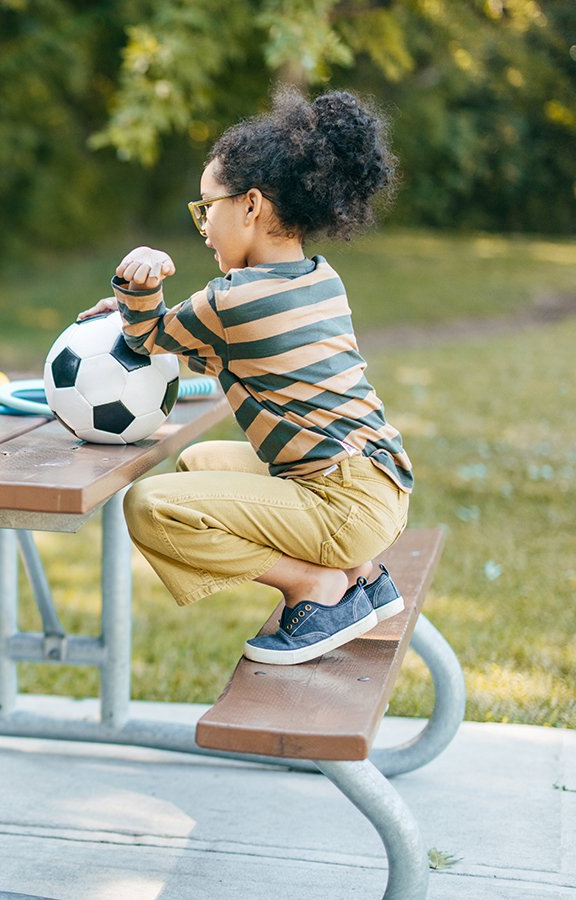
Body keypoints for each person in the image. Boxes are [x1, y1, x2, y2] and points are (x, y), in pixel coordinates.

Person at [77, 88, 411, 666]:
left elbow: (148, 338)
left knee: (150, 505)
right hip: (379, 483)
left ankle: (314, 588)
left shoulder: (234, 299)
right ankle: (365, 577)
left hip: (342, 505)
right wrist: (147, 313)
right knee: (198, 464)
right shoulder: (318, 276)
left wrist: (137, 286)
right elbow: (227, 355)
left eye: (207, 206)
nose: (203, 226)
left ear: (250, 205)